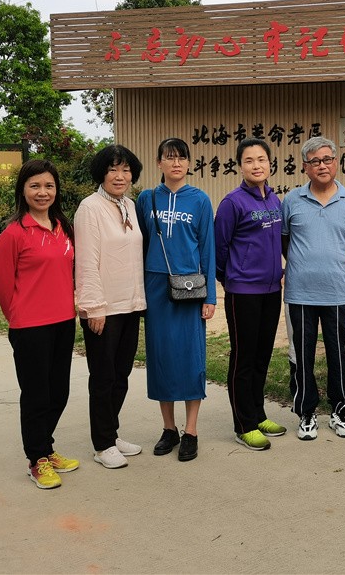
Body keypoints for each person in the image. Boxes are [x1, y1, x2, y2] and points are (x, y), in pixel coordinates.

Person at [0, 159, 79, 490]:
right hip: (30, 327)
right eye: (35, 186)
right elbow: (3, 285)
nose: (42, 192)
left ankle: (46, 446)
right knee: (36, 395)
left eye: (48, 186)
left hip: (63, 321)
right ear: (23, 190)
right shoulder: (14, 233)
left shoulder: (63, 228)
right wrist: (18, 317)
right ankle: (36, 459)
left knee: (59, 391)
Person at [136, 138, 216, 462]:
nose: (176, 163)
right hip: (156, 287)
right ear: (159, 163)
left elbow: (208, 249)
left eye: (182, 157)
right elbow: (139, 245)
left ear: (189, 163)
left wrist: (210, 296)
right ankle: (168, 428)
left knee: (190, 358)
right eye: (169, 158)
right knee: (161, 357)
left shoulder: (200, 200)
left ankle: (191, 430)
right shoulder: (147, 198)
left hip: (190, 288)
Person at [282, 136, 345, 440]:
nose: (322, 165)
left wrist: (336, 266)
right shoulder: (292, 200)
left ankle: (341, 410)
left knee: (341, 354)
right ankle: (306, 413)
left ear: (336, 162)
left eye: (327, 159)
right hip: (300, 293)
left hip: (338, 292)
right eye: (315, 161)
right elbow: (285, 241)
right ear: (305, 166)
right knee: (301, 355)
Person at [74, 145, 147, 469]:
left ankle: (112, 434)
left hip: (129, 304)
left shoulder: (129, 205)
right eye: (113, 169)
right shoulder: (89, 208)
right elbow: (86, 261)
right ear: (101, 173)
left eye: (126, 170)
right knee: (103, 377)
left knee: (121, 374)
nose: (120, 176)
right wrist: (93, 307)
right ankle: (102, 444)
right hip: (104, 308)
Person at [214, 138, 286, 451]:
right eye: (249, 160)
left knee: (262, 355)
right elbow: (219, 247)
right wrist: (231, 278)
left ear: (270, 163)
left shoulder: (275, 200)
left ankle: (258, 414)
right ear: (240, 166)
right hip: (243, 291)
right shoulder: (232, 203)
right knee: (243, 358)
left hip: (271, 289)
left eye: (261, 159)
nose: (256, 165)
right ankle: (243, 424)